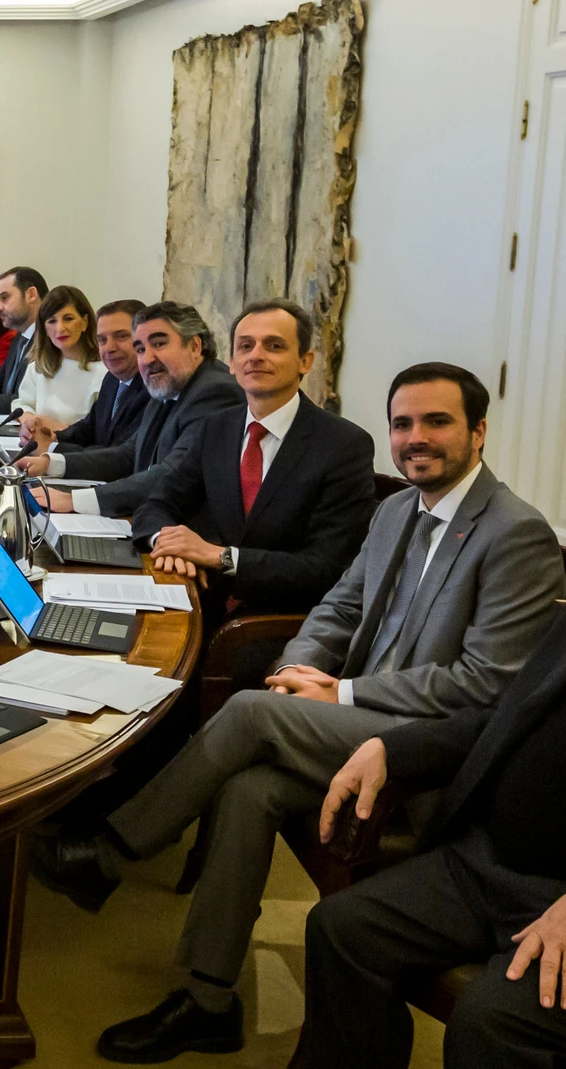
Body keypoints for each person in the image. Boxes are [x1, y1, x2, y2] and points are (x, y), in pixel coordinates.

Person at [31, 362, 564, 1063]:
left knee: (251, 715)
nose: (415, 438)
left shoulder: (515, 534)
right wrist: (297, 668)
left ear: (478, 432)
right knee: (249, 788)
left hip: (426, 745)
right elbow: (338, 605)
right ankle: (207, 997)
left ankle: (110, 851)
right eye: (402, 423)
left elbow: (483, 686)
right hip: (351, 714)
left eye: (437, 422)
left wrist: (339, 693)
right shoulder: (399, 508)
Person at [298, 607, 566, 1068]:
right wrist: (392, 748)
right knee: (341, 930)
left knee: (490, 1025)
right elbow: (506, 720)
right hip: (487, 861)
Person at [130, 300, 376, 616]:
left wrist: (219, 556)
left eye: (274, 346)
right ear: (232, 362)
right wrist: (167, 543)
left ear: (305, 361)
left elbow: (326, 568)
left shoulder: (344, 445)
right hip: (205, 602)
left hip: (281, 622)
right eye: (245, 346)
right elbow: (157, 504)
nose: (256, 355)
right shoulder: (216, 428)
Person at [22, 301, 243, 516]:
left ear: (195, 346)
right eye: (140, 348)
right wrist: (49, 463)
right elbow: (129, 455)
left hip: (185, 533)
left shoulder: (215, 392)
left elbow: (171, 474)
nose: (147, 359)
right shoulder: (167, 382)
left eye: (159, 344)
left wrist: (73, 500)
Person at [23, 298, 149, 455]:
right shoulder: (112, 380)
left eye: (121, 336)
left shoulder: (151, 390)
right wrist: (51, 436)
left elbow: (120, 454)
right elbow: (88, 428)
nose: (109, 348)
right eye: (102, 340)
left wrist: (53, 447)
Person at [12, 285, 106, 433]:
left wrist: (55, 428)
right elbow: (23, 403)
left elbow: (99, 432)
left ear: (85, 322)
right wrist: (29, 420)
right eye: (52, 321)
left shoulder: (104, 371)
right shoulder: (38, 367)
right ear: (44, 329)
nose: (60, 328)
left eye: (68, 319)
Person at [0, 266, 48, 413]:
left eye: (4, 298)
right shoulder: (20, 337)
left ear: (31, 294)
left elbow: (24, 400)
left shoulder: (50, 341)